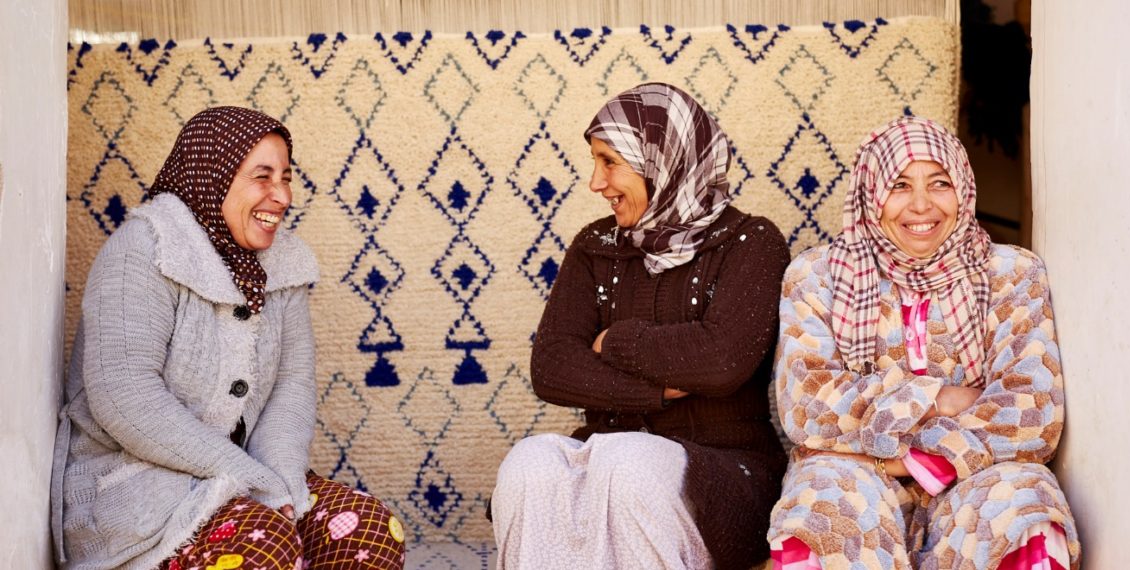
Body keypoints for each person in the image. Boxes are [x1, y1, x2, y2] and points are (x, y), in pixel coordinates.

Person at [50, 107, 405, 570]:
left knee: (366, 527)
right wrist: (251, 481)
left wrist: (280, 485)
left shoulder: (284, 263)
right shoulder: (142, 251)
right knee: (263, 544)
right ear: (212, 175)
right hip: (138, 492)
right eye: (263, 177)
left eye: (286, 177)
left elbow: (291, 386)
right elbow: (125, 399)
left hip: (245, 481)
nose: (282, 195)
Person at [491, 83, 790, 569]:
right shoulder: (595, 246)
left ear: (661, 160)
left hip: (725, 472)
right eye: (595, 161)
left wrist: (613, 341)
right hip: (609, 454)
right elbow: (551, 367)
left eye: (610, 162)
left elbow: (722, 362)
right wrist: (662, 391)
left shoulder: (751, 243)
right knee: (530, 463)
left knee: (627, 462)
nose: (596, 182)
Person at [768, 116, 1080, 569]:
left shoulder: (1012, 274)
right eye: (898, 185)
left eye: (939, 183)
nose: (921, 206)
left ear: (963, 188)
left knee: (1025, 505)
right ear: (871, 194)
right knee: (822, 506)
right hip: (858, 474)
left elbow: (1032, 411)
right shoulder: (816, 278)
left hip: (976, 472)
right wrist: (941, 397)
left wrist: (929, 462)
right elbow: (808, 406)